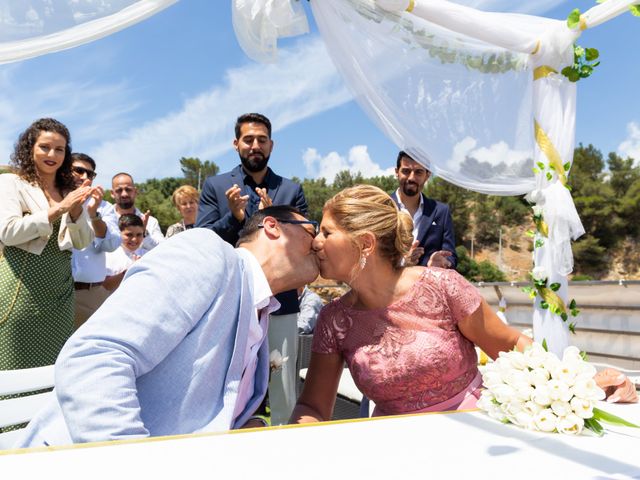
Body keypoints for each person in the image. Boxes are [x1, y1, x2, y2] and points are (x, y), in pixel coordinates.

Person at [290, 185, 637, 424]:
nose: (315, 242)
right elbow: (312, 405)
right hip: (395, 448)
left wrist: (579, 385)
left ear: (364, 243)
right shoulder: (334, 320)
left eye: (326, 232)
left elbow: (510, 345)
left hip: (477, 429)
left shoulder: (443, 287)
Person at [15, 206, 319, 448]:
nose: (319, 242)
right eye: (313, 229)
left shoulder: (260, 309)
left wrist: (245, 426)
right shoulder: (207, 253)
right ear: (272, 226)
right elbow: (94, 358)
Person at [196, 112, 308, 425]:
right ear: (236, 144)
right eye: (249, 139)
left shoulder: (291, 191)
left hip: (281, 303)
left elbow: (305, 243)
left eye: (262, 139)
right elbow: (203, 241)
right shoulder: (216, 186)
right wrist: (234, 217)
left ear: (271, 145)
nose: (255, 145)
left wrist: (274, 219)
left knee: (284, 388)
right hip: (230, 305)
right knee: (228, 389)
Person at [0, 118, 94, 371]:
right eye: (45, 147)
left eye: (60, 149)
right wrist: (58, 210)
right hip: (21, 288)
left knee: (55, 365)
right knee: (14, 362)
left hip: (60, 293)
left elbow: (84, 241)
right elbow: (8, 233)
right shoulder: (11, 183)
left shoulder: (68, 190)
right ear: (30, 148)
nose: (52, 154)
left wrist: (75, 211)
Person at [70, 153, 121, 329]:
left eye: (90, 174)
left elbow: (112, 244)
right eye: (78, 170)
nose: (85, 177)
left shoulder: (103, 207)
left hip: (90, 294)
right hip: (52, 293)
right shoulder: (52, 200)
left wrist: (94, 216)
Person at [391, 151, 457, 269]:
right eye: (406, 171)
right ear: (397, 172)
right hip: (388, 286)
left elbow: (451, 257)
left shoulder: (441, 211)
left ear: (427, 175)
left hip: (428, 284)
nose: (411, 178)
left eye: (418, 172)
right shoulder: (382, 207)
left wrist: (441, 263)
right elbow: (370, 255)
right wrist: (402, 261)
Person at [107, 172, 164, 253]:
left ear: (135, 191)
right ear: (112, 193)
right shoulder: (103, 219)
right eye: (119, 190)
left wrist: (144, 233)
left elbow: (162, 249)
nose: (124, 194)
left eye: (128, 189)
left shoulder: (151, 222)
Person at [102, 214, 146, 292]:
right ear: (119, 233)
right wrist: (131, 270)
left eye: (139, 235)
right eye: (129, 235)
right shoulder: (109, 254)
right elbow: (106, 286)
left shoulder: (147, 255)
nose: (134, 239)